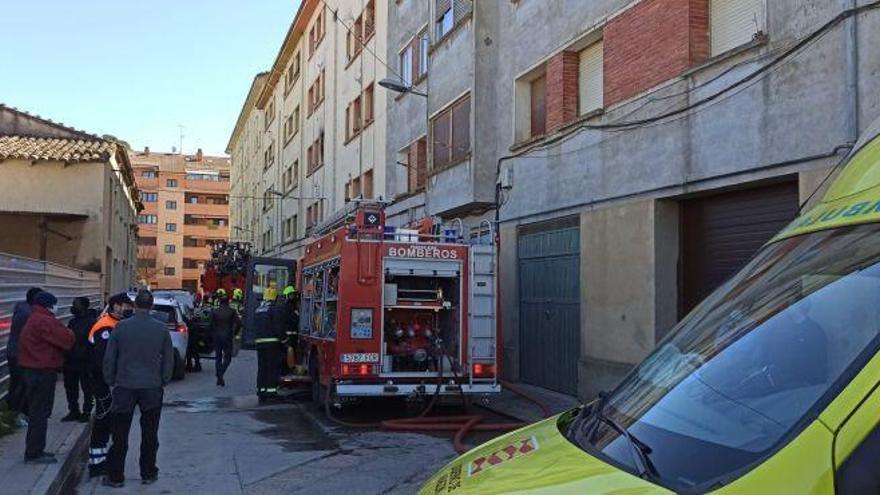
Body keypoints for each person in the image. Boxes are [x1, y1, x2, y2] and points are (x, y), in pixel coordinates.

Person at [103, 290, 173, 488]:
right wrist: (163, 380)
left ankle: (116, 476)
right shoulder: (160, 329)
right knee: (150, 433)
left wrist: (110, 379)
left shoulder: (121, 327)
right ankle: (148, 472)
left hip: (124, 386)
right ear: (151, 306)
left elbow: (110, 357)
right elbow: (168, 359)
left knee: (120, 434)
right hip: (151, 387)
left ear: (134, 306)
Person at [18, 291, 75, 463]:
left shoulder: (34, 317)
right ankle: (34, 452)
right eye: (55, 304)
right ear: (48, 305)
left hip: (33, 370)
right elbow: (67, 339)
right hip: (41, 371)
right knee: (40, 413)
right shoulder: (44, 320)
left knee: (38, 411)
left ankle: (35, 449)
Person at [85, 293, 133, 478]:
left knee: (109, 421)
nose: (127, 309)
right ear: (114, 306)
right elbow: (103, 360)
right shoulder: (105, 327)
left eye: (129, 305)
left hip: (109, 381)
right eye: (123, 305)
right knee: (103, 421)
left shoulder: (115, 325)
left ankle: (102, 460)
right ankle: (97, 465)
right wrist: (111, 383)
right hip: (103, 383)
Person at [7, 287, 43, 426]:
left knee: (17, 383)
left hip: (14, 352)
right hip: (20, 354)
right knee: (21, 385)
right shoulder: (29, 314)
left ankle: (14, 413)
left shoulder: (22, 307)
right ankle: (17, 415)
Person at [62, 297, 96, 423]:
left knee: (87, 388)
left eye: (75, 305)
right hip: (71, 361)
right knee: (70, 388)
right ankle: (74, 411)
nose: (73, 307)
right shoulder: (73, 322)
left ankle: (86, 412)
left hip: (85, 361)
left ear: (83, 307)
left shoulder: (92, 322)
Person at [254, 288, 283, 403]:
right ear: (275, 298)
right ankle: (270, 393)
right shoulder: (274, 309)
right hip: (272, 343)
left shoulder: (259, 309)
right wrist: (284, 340)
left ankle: (261, 392)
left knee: (262, 368)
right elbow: (278, 327)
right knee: (272, 368)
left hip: (260, 343)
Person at [209, 296, 241, 387]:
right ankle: (221, 373)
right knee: (228, 357)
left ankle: (219, 375)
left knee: (218, 357)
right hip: (227, 337)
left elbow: (210, 325)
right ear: (228, 302)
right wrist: (234, 333)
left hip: (217, 337)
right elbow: (239, 323)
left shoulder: (215, 312)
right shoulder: (231, 311)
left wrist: (210, 336)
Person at [277, 286, 300, 373]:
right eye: (291, 295)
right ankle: (286, 370)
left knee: (291, 354)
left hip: (293, 335)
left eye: (294, 295)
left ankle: (288, 369)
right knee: (287, 354)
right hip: (288, 335)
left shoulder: (292, 306)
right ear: (287, 296)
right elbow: (293, 319)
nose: (293, 297)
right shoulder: (287, 307)